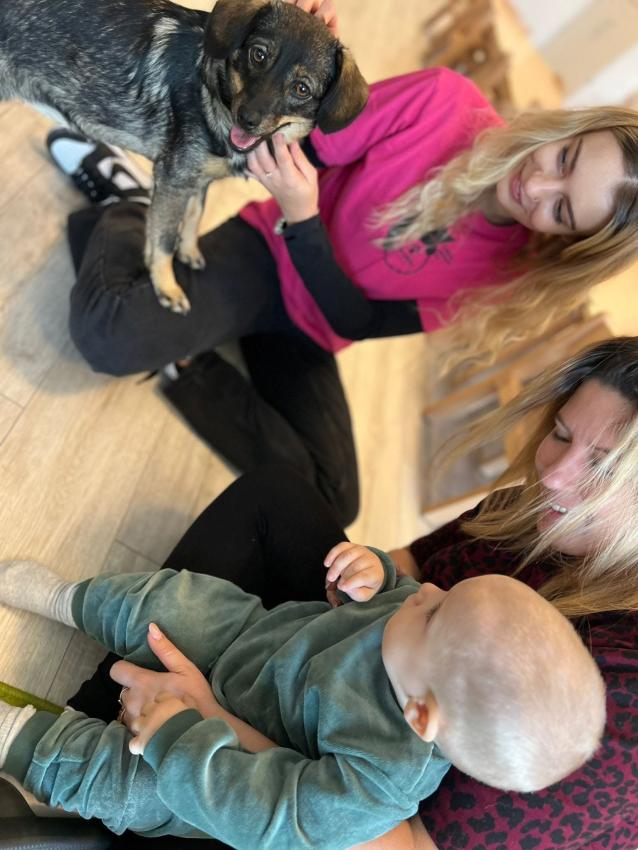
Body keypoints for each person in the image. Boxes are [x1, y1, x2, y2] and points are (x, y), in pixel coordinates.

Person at [43, 0, 638, 527]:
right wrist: (305, 63)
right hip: (264, 254)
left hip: (313, 326)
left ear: (570, 242)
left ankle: (187, 359)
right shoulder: (443, 100)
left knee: (335, 502)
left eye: (561, 210)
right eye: (565, 159)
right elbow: (298, 146)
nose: (538, 185)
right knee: (107, 338)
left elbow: (357, 321)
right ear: (568, 127)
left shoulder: (507, 278)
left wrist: (306, 220)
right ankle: (129, 203)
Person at [56, 335, 638, 850]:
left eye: (604, 469)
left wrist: (212, 719)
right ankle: (127, 697)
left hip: (340, 816)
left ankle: (92, 765)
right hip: (354, 684)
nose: (554, 474)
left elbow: (380, 836)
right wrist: (370, 576)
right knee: (279, 498)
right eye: (560, 432)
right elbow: (416, 569)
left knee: (196, 789)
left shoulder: (615, 704)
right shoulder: (534, 504)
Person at [0, 546, 604, 847]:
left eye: (434, 611)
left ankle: (13, 736)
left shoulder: (380, 781)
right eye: (447, 590)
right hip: (246, 642)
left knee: (123, 784)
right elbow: (399, 593)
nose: (426, 592)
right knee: (176, 602)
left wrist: (183, 735)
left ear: (420, 713)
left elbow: (268, 814)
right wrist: (374, 576)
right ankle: (64, 597)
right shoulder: (421, 631)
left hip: (217, 766)